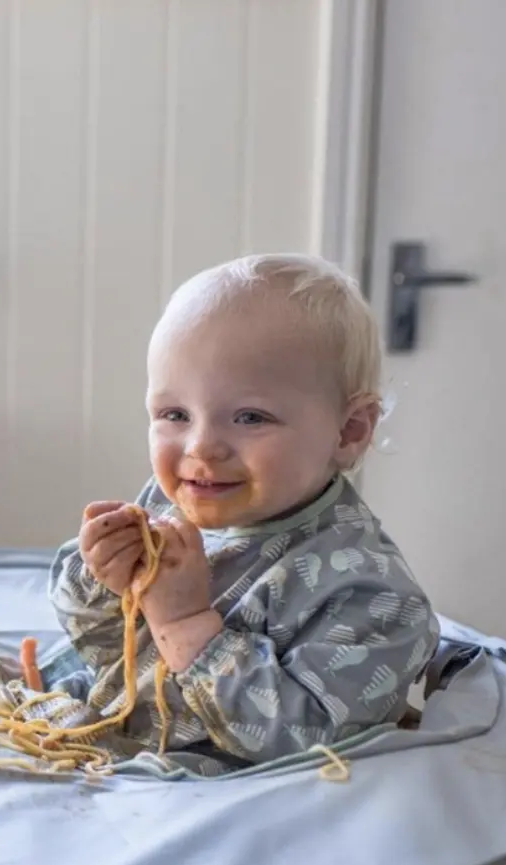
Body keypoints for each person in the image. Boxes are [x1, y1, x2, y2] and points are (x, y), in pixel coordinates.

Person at [48, 253, 439, 774]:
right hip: (111, 740)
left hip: (226, 801)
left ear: (349, 432)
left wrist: (187, 626)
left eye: (250, 417)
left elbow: (308, 741)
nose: (201, 447)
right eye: (174, 414)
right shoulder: (174, 501)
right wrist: (101, 580)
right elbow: (96, 647)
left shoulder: (370, 595)